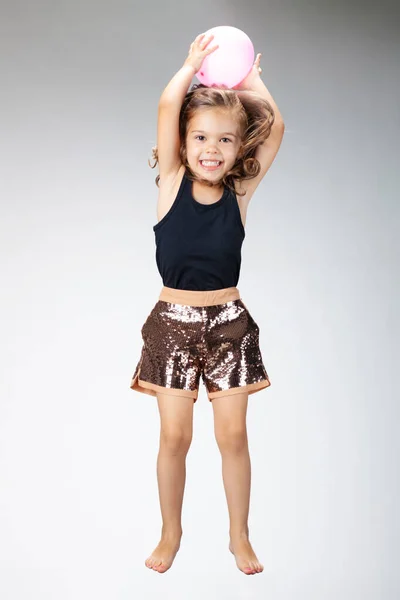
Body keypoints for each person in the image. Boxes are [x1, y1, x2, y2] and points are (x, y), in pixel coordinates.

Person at [130, 32, 285, 575]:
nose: (211, 150)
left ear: (238, 148)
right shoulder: (171, 181)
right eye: (200, 138)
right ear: (183, 141)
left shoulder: (239, 194)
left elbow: (277, 128)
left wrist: (250, 78)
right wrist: (192, 65)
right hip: (171, 323)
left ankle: (239, 535)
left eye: (224, 140)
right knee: (175, 436)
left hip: (229, 324)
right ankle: (170, 532)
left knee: (233, 435)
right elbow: (168, 103)